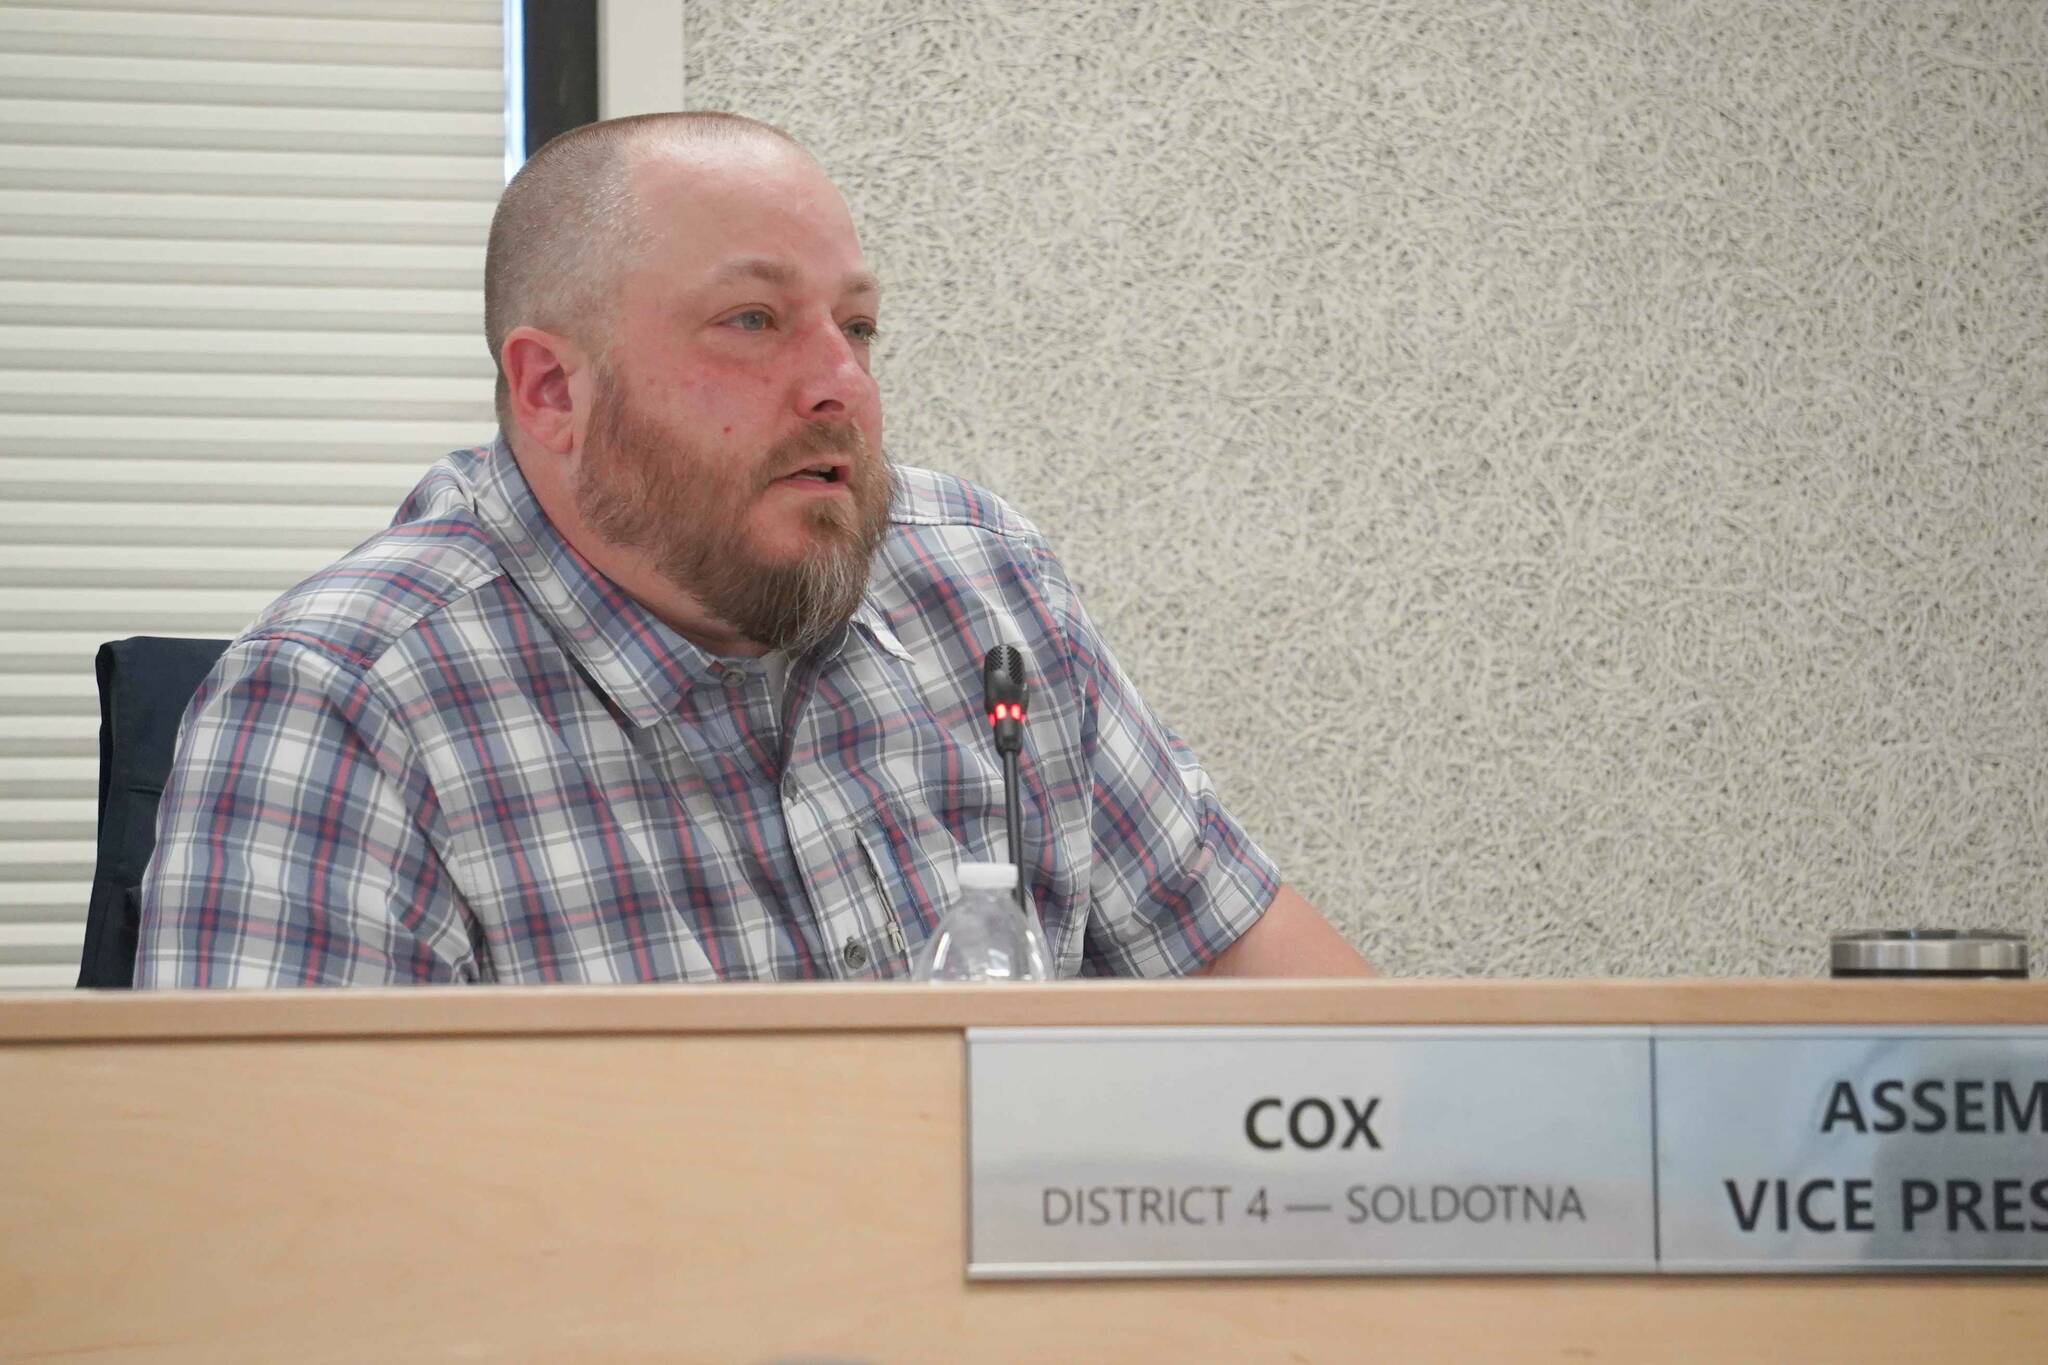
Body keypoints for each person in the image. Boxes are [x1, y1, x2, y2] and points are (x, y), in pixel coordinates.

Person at [134, 112, 1372, 987]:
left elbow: (1265, 987)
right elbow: (272, 1244)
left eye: (859, 327)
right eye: (753, 322)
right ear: (553, 391)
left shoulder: (978, 582)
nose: (840, 386)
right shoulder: (345, 705)